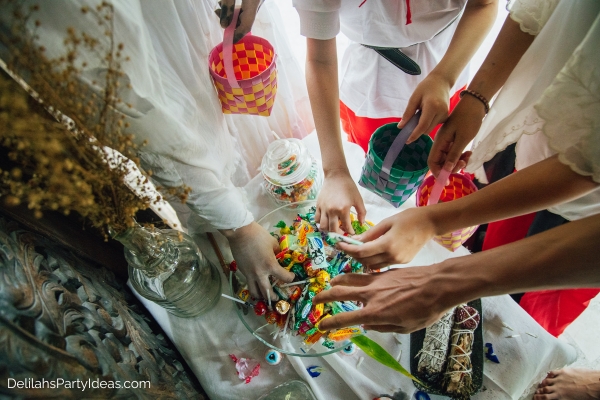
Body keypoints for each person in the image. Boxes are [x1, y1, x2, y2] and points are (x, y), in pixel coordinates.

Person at [315, 0, 600, 396]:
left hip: (582, 210)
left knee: (529, 309)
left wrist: (444, 270)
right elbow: (540, 10)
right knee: (493, 239)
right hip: (527, 127)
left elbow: (587, 162)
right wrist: (475, 97)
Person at [0, 0, 314, 300]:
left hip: (200, 35)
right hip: (167, 82)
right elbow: (143, 115)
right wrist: (239, 228)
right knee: (210, 155)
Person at [291, 0, 498, 234]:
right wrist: (335, 171)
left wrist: (444, 77)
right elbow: (319, 58)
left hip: (450, 65)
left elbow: (484, 5)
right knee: (374, 178)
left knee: (434, 165)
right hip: (371, 86)